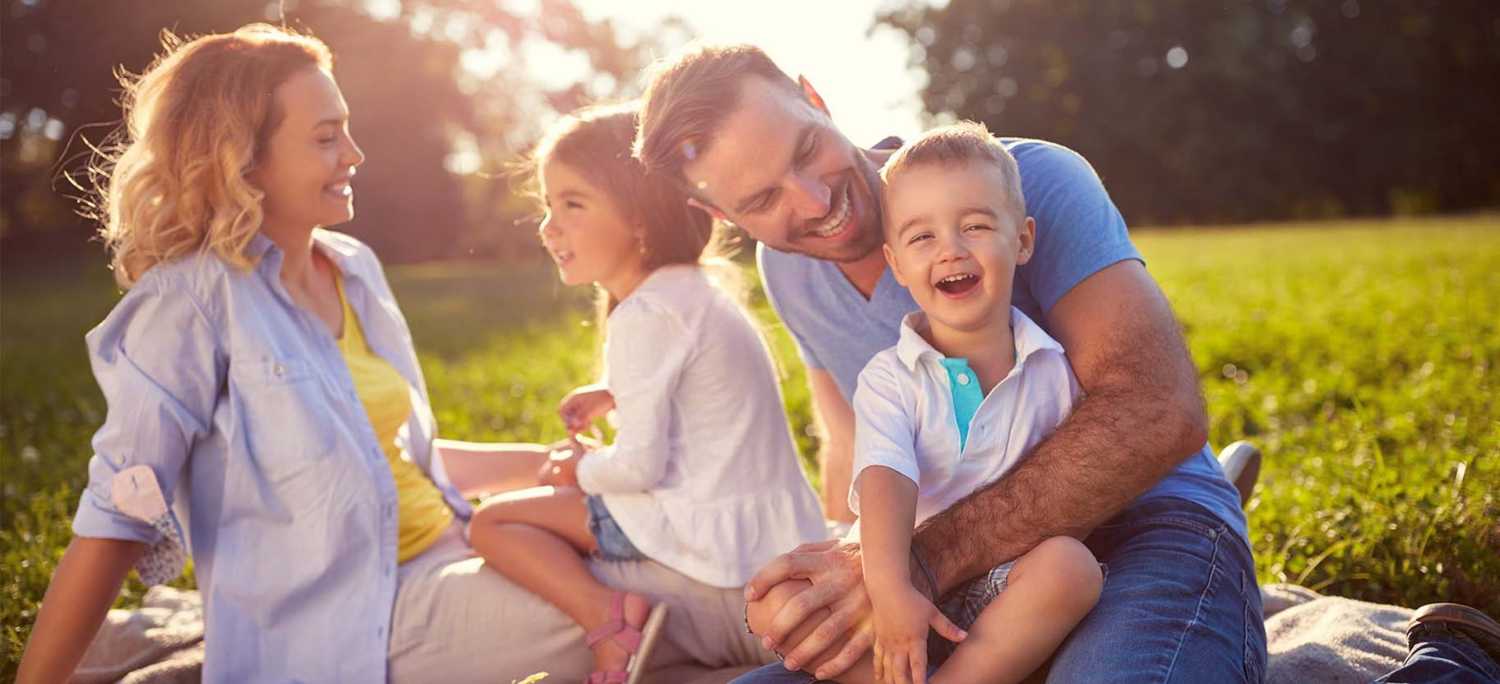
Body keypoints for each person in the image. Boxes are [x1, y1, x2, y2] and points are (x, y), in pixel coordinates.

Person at [14, 27, 778, 683]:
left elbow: (390, 462)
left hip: (443, 553)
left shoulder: (352, 269)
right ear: (241, 159)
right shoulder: (189, 307)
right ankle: (801, 635)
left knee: (645, 579)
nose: (355, 151)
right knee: (649, 598)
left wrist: (540, 461)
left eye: (346, 127)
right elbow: (117, 514)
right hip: (360, 616)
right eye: (324, 137)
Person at [634, 43, 1265, 682]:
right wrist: (848, 575)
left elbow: (1157, 411)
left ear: (815, 99)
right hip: (962, 579)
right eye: (763, 200)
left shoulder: (1025, 181)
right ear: (722, 217)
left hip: (1142, 524)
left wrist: (920, 562)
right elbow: (853, 446)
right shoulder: (788, 271)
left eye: (804, 151)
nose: (814, 200)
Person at [461, 103, 826, 684]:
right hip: (768, 531)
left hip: (705, 540)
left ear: (639, 219)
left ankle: (609, 620)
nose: (548, 226)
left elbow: (638, 466)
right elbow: (700, 392)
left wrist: (578, 468)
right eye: (548, 206)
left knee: (492, 525)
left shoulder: (646, 314)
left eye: (572, 205)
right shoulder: (692, 292)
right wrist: (614, 392)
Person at [831, 122, 1104, 684]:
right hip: (900, 584)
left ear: (1022, 240)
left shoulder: (1053, 367)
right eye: (921, 237)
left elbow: (1076, 491)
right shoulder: (889, 378)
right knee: (777, 604)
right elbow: (885, 480)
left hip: (1006, 590)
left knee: (1072, 569)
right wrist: (891, 594)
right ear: (897, 264)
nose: (951, 248)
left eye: (975, 225)